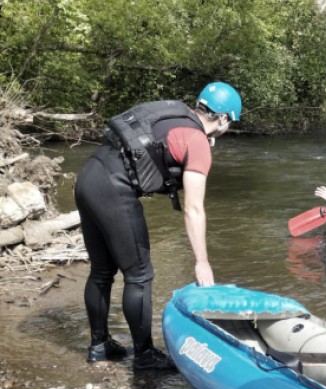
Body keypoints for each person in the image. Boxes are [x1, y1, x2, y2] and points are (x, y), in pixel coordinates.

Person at [75, 82, 241, 372]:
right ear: (224, 118)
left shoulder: (174, 117)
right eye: (231, 123)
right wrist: (202, 262)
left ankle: (99, 346)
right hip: (113, 189)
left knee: (102, 271)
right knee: (139, 275)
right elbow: (193, 208)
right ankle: (145, 356)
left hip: (88, 176)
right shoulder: (198, 142)